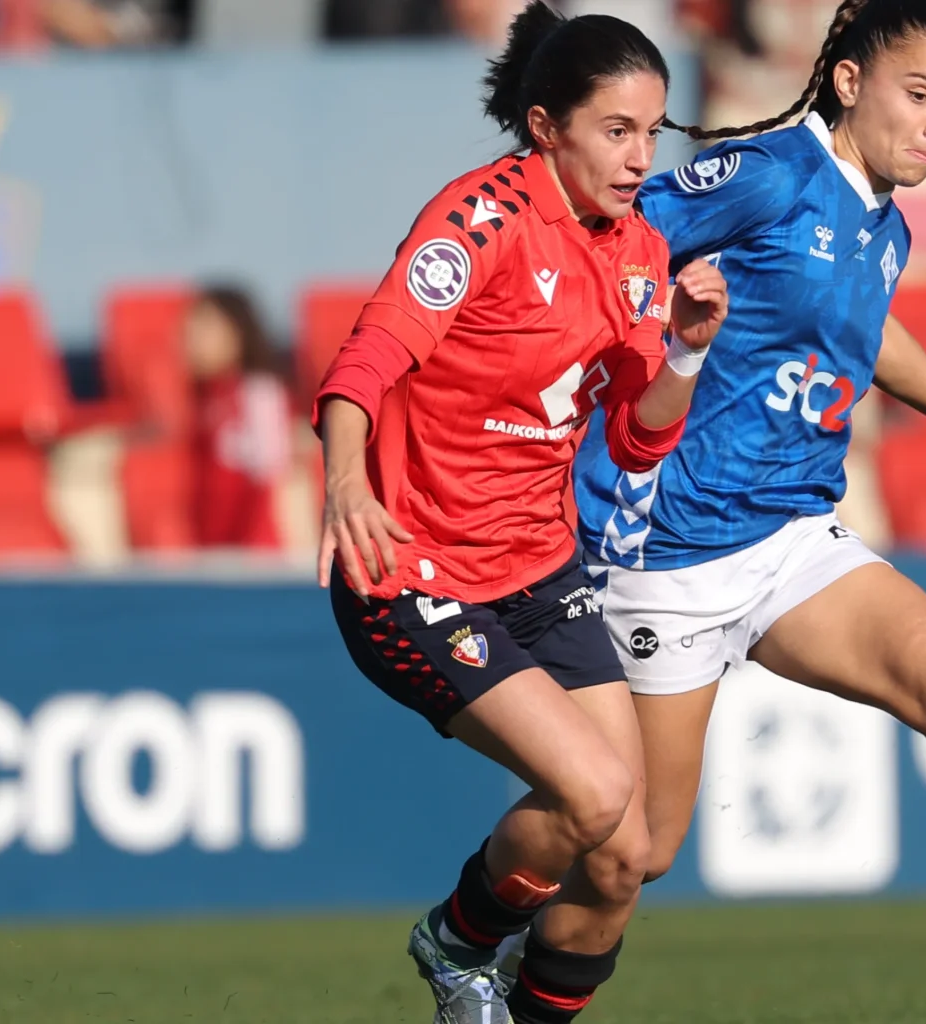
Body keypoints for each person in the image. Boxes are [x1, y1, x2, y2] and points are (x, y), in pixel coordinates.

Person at [568, 0, 926, 999]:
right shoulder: (764, 176)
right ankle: (486, 964)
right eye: (919, 95)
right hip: (671, 553)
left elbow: (860, 326)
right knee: (637, 853)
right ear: (849, 82)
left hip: (795, 535)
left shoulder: (885, 220)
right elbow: (607, 244)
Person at [313, 7, 728, 1024]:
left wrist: (683, 350)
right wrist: (346, 482)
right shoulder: (480, 219)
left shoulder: (639, 254)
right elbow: (365, 361)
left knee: (625, 852)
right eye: (616, 131)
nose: (639, 157)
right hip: (414, 573)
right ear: (547, 127)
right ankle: (457, 942)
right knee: (590, 793)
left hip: (541, 569)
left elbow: (635, 440)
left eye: (653, 132)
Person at [183, 285, 290, 550]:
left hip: (247, 555)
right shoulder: (197, 399)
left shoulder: (259, 393)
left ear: (238, 334)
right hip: (204, 548)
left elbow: (268, 475)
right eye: (189, 329)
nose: (192, 339)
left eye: (206, 328)